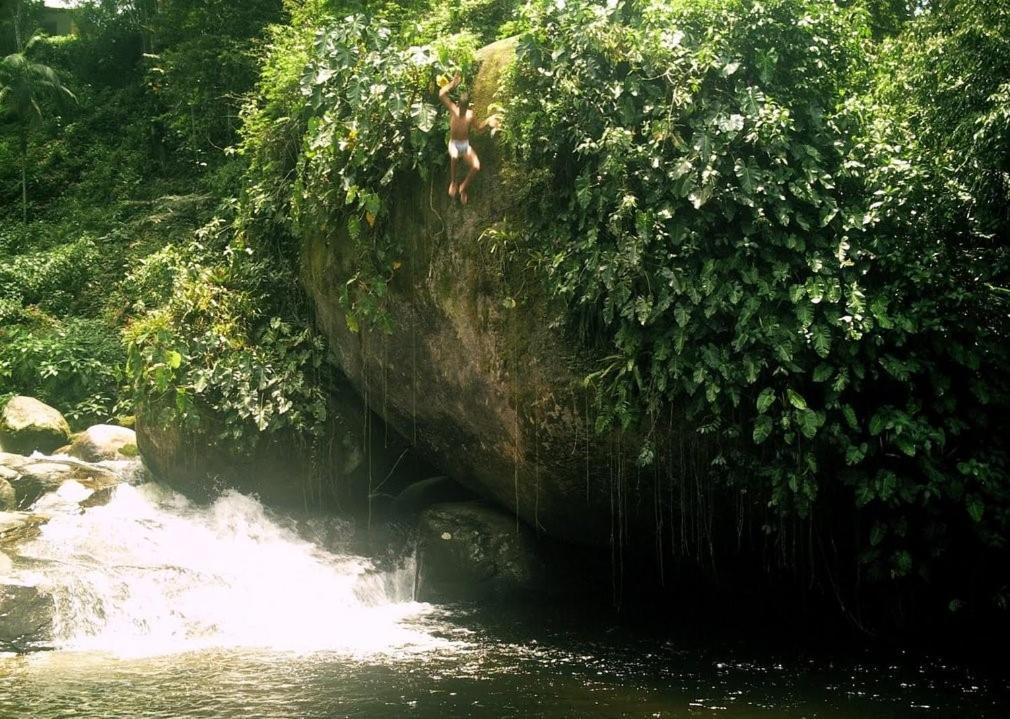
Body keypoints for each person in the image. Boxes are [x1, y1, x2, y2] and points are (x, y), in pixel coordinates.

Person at [438, 72, 499, 205]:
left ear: (467, 108)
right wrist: (452, 84)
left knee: (476, 166)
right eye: (461, 109)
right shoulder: (453, 109)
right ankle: (453, 181)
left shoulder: (469, 116)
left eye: (464, 110)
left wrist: (488, 121)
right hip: (454, 144)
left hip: (465, 145)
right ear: (458, 104)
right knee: (454, 155)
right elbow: (441, 94)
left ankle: (463, 187)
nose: (462, 112)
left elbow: (479, 129)